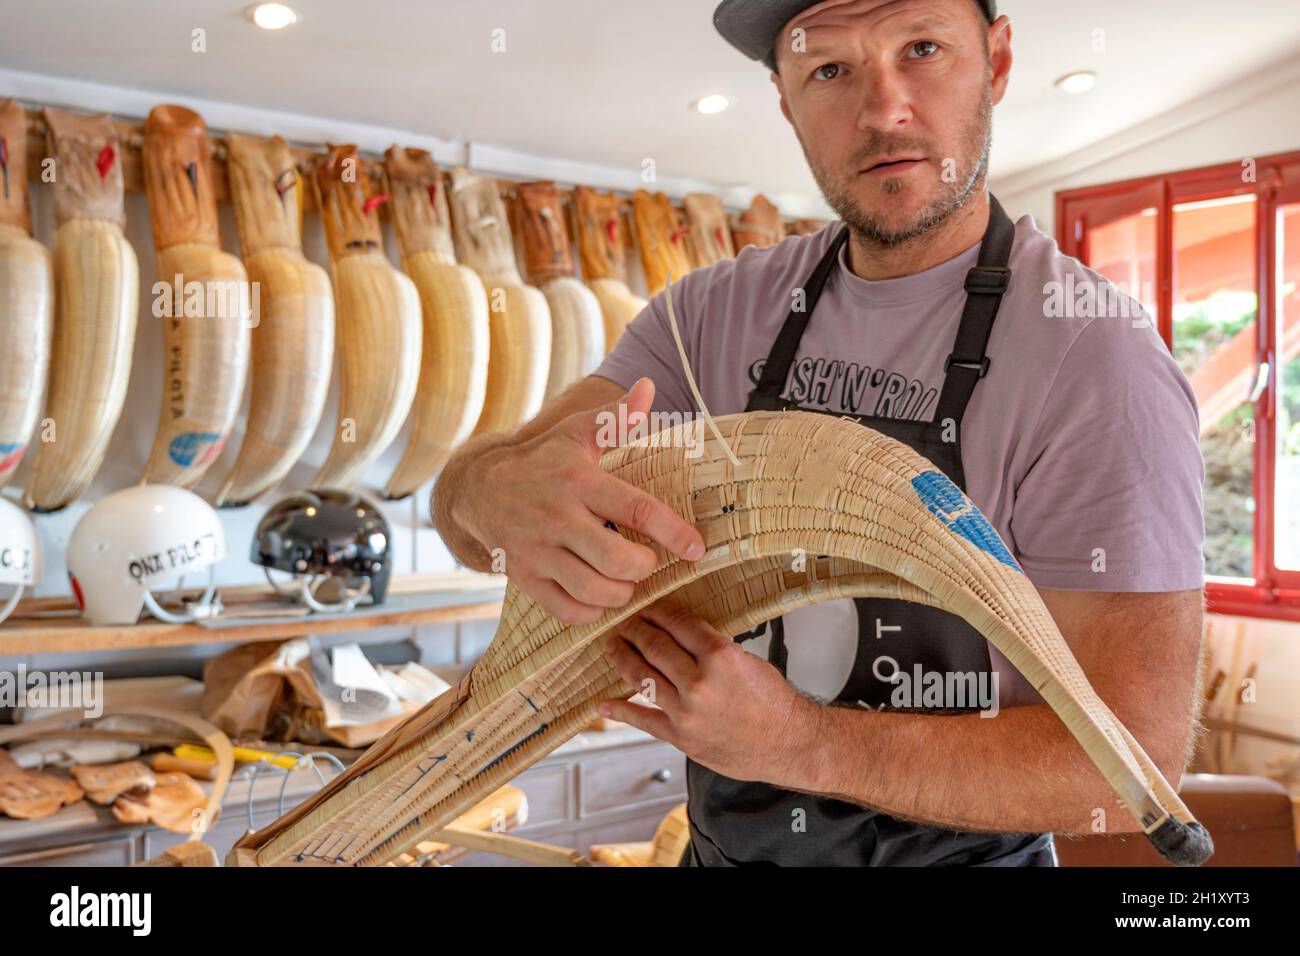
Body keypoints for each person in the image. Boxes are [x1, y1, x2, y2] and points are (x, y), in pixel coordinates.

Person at [433, 0, 1206, 866]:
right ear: (784, 99)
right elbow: (472, 513)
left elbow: (1128, 770)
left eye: (921, 48)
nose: (883, 110)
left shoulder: (1095, 360)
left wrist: (803, 743)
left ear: (996, 60)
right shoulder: (708, 319)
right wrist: (488, 496)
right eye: (830, 69)